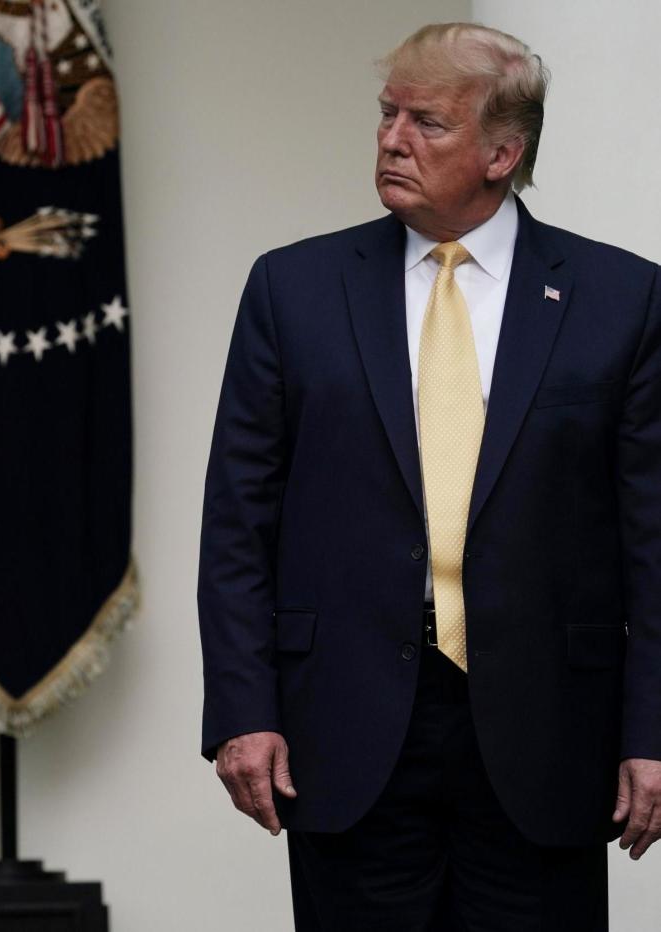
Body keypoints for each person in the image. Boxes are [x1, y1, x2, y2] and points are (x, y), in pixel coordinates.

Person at [198, 22, 661, 930]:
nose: (391, 138)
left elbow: (654, 537)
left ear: (503, 151)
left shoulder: (621, 299)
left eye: (427, 122)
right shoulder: (293, 289)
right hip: (348, 724)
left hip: (548, 730)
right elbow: (237, 520)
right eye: (387, 113)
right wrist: (241, 709)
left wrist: (652, 729)